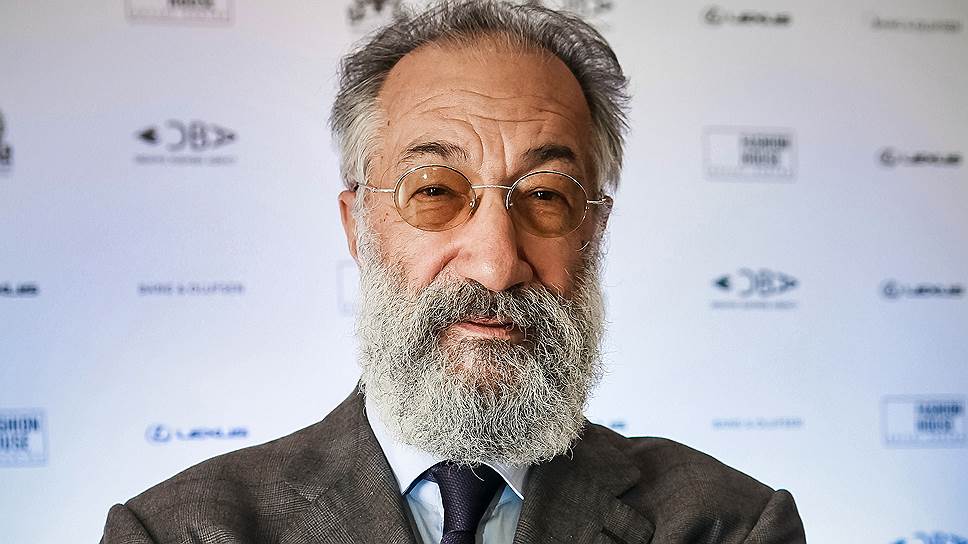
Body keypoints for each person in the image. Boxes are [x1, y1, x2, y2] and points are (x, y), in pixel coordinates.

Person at [101, 1, 806, 543]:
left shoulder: (726, 526)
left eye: (546, 196)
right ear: (358, 226)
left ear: (594, 231)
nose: (496, 264)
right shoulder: (181, 532)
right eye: (436, 190)